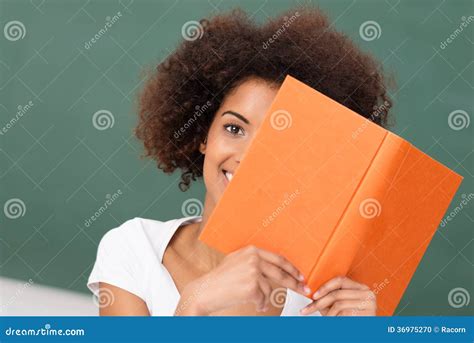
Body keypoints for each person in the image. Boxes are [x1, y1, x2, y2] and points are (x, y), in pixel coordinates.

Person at [88, 6, 391, 316]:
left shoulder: (322, 299)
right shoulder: (135, 250)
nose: (247, 158)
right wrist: (195, 304)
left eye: (277, 143)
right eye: (234, 129)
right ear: (204, 133)